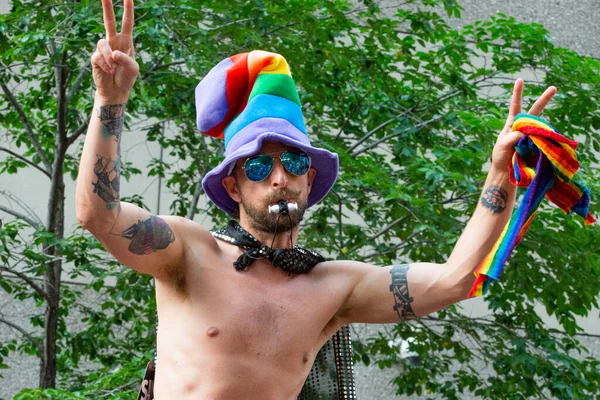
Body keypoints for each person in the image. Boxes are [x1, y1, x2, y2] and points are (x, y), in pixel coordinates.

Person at [75, 0, 558, 399]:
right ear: (233, 186)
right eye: (260, 168)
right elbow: (98, 214)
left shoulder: (335, 288)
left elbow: (458, 279)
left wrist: (501, 173)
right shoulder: (189, 253)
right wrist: (110, 100)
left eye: (294, 164)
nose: (279, 178)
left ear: (311, 180)